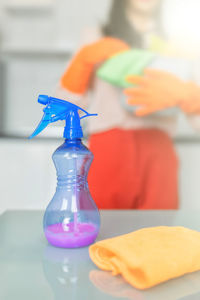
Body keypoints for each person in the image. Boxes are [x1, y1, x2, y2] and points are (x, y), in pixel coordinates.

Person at [57, 0, 181, 209]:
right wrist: (82, 63)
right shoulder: (96, 36)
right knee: (104, 231)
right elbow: (65, 107)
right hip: (108, 148)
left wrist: (191, 99)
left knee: (160, 233)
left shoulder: (175, 43)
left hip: (159, 153)